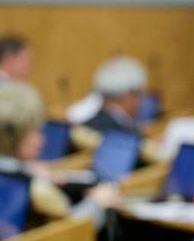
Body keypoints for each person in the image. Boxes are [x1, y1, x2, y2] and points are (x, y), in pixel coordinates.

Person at [0, 82, 119, 230]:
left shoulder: (16, 174)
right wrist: (97, 202)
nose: (42, 138)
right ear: (15, 136)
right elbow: (69, 231)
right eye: (35, 131)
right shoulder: (36, 189)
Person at [67, 56, 146, 132]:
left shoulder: (81, 129)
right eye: (139, 95)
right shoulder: (127, 136)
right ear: (128, 96)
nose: (140, 103)